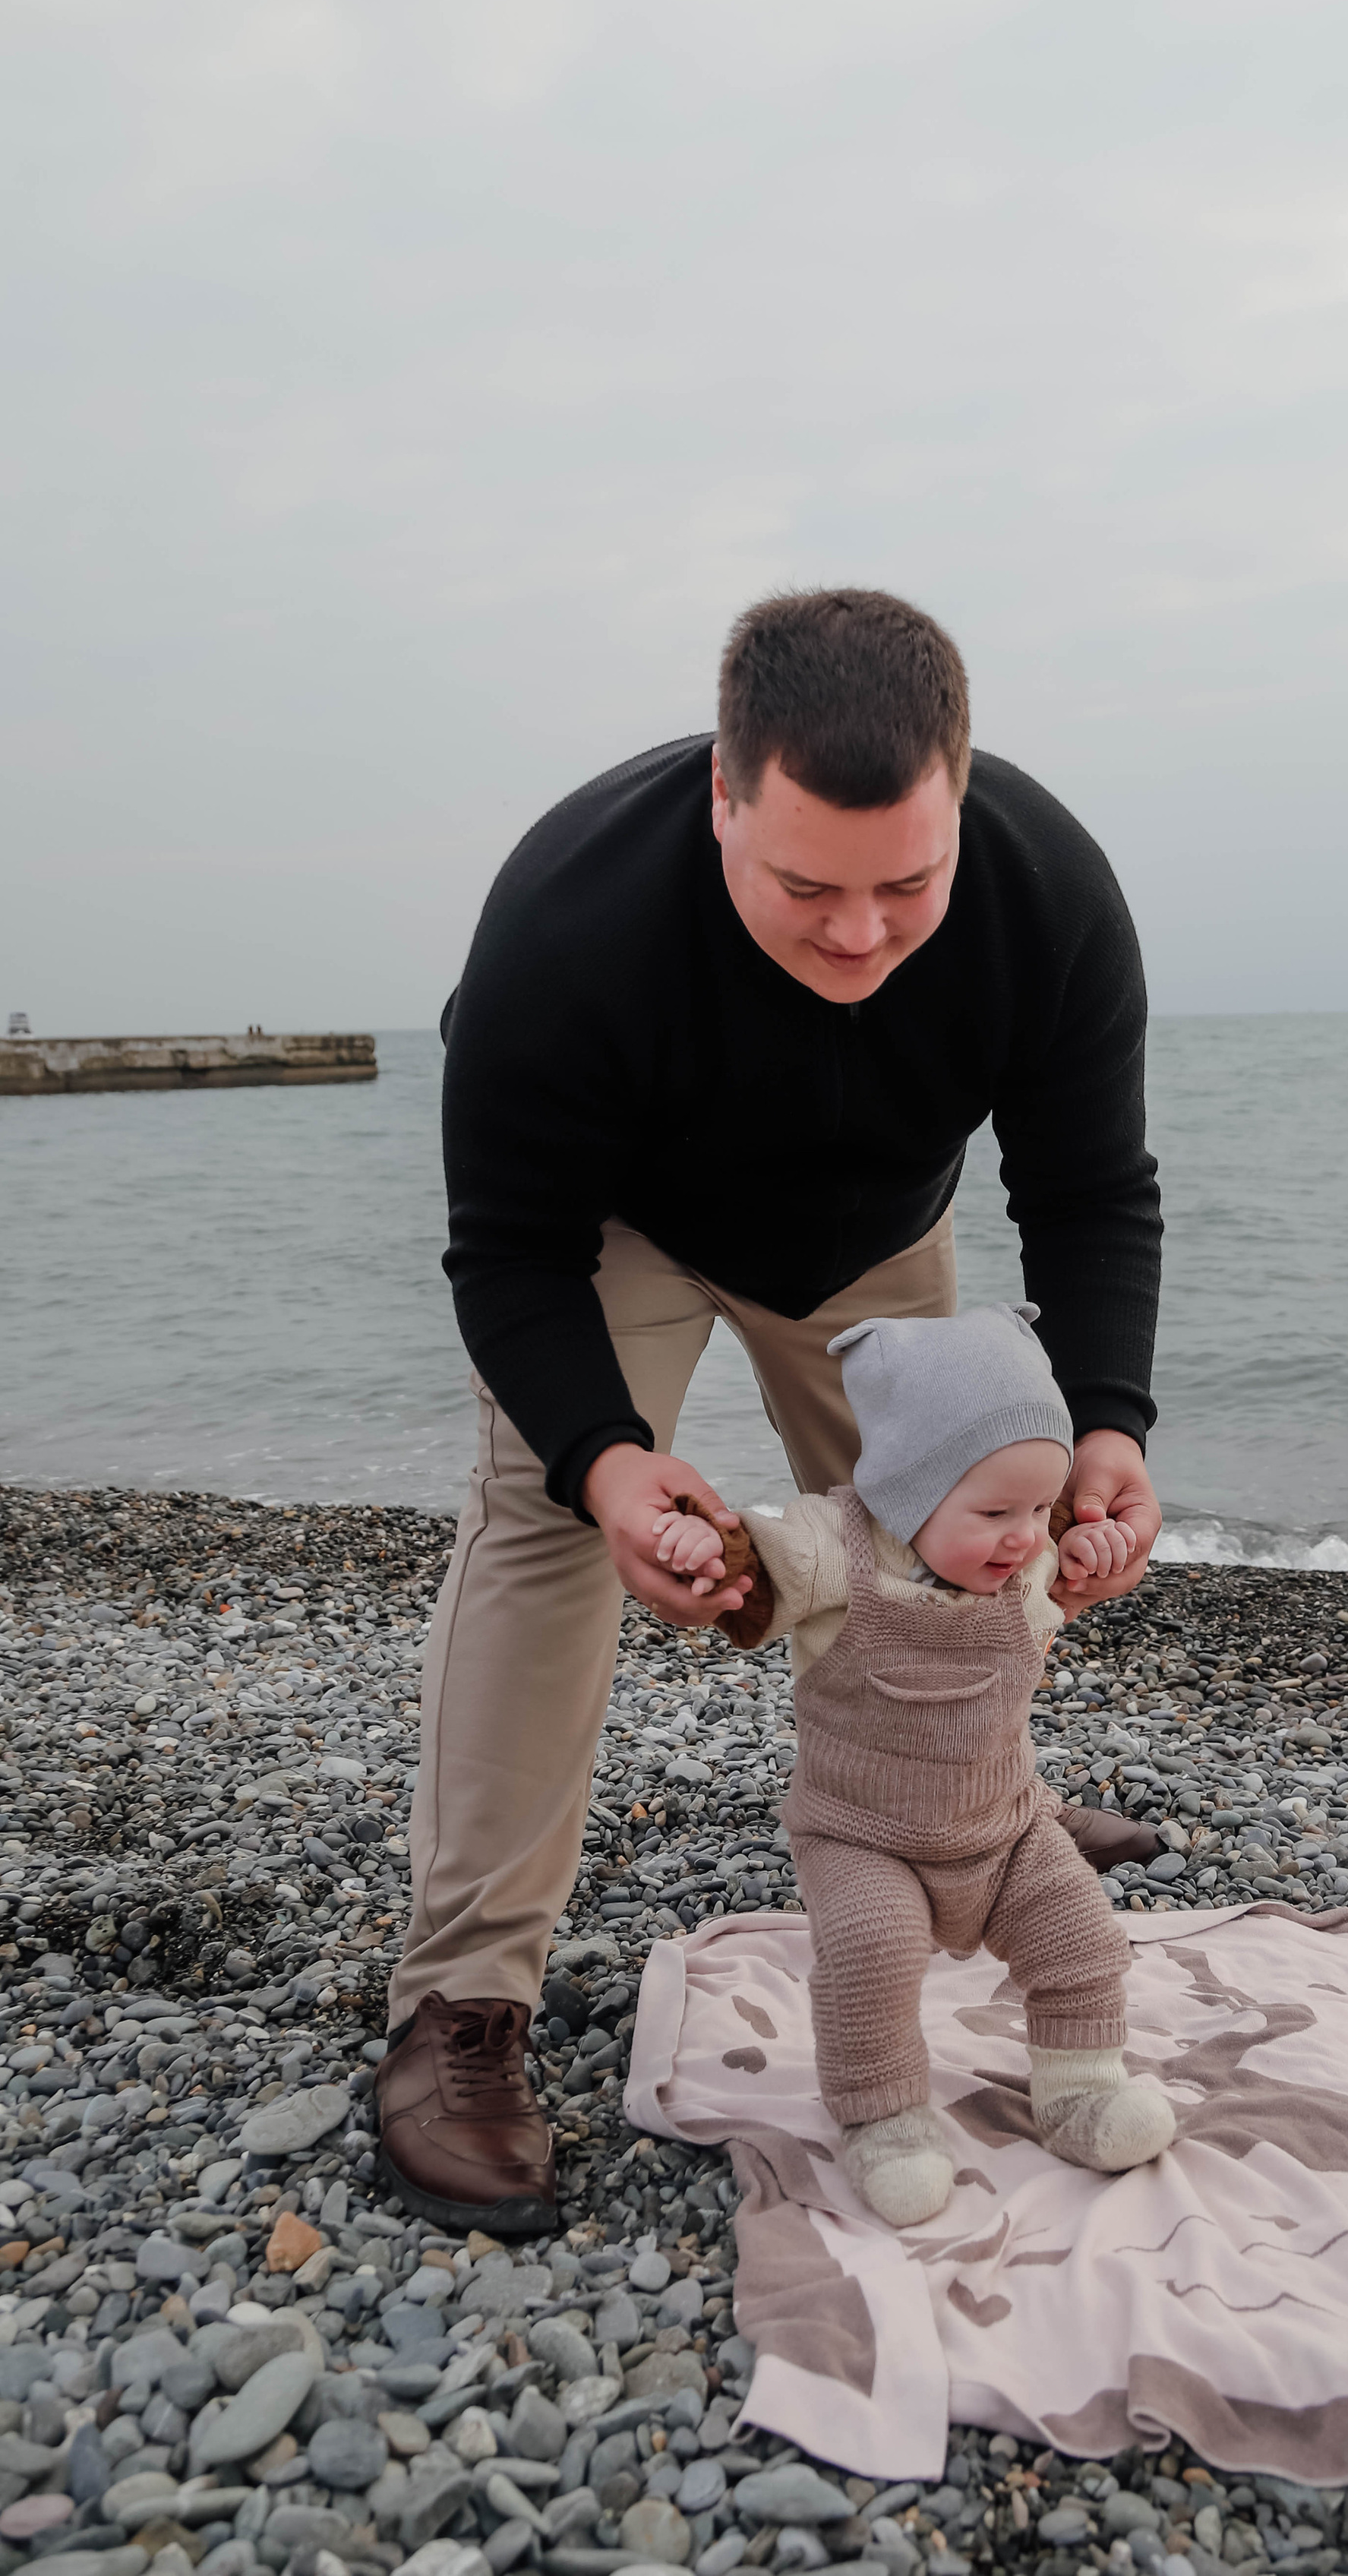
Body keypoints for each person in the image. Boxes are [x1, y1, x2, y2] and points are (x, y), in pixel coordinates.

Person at [376, 588, 1165, 2237]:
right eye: (806, 884)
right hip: (616, 1227)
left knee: (967, 1531)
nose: (860, 935)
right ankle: (459, 2004)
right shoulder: (564, 922)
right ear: (721, 799)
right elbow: (505, 1252)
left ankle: (976, 1814)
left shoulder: (1048, 891)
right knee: (538, 1531)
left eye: (906, 884)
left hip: (871, 1230)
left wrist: (1108, 1425)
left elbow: (1090, 1191)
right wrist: (601, 1462)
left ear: (960, 791)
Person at [655, 1303, 1177, 2225]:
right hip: (862, 1834)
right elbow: (750, 1575)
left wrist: (1091, 1542)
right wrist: (707, 1550)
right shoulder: (832, 1551)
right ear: (906, 1488)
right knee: (871, 1954)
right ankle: (885, 2122)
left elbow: (1067, 1568)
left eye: (1035, 1508)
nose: (1022, 1536)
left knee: (1082, 1942)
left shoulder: (1023, 1558)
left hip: (1006, 1827)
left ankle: (1082, 2093)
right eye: (994, 1512)